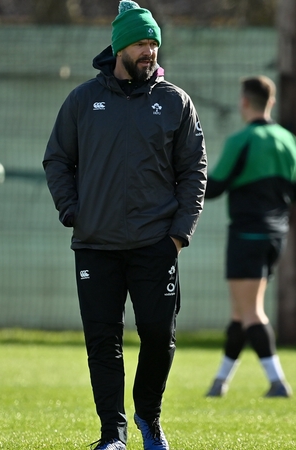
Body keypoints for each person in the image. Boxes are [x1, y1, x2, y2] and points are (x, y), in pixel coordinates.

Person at [42, 1, 207, 449]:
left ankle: (148, 417)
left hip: (157, 243)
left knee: (159, 335)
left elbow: (194, 169)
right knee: (103, 340)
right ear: (119, 48)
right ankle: (111, 435)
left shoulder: (176, 101)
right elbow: (58, 159)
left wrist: (179, 233)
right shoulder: (81, 100)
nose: (149, 51)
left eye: (153, 43)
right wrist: (72, 209)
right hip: (96, 244)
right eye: (140, 43)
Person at [203, 75, 296, 399]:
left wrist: (178, 177)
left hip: (247, 234)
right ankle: (220, 382)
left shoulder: (242, 140)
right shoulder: (291, 141)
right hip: (277, 236)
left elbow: (215, 187)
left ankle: (277, 382)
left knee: (251, 313)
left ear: (244, 101)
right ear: (271, 102)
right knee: (240, 313)